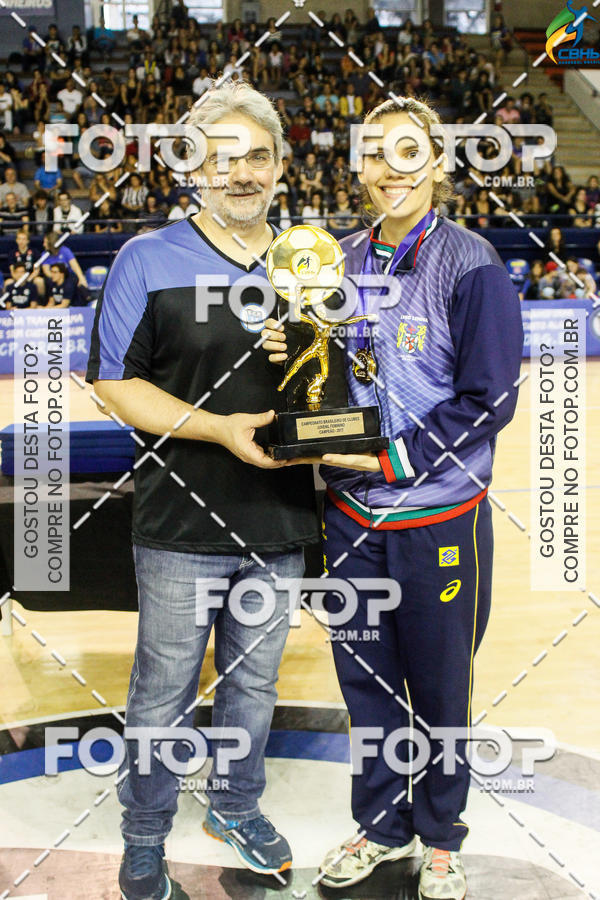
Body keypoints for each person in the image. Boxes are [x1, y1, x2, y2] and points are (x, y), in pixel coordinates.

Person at [262, 95, 523, 900]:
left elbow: (490, 397)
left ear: (437, 162)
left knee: (440, 692)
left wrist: (391, 457)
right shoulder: (330, 260)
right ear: (359, 166)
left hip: (438, 516)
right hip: (349, 519)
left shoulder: (473, 263)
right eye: (375, 153)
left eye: (408, 152)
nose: (390, 169)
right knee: (366, 688)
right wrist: (290, 345)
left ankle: (441, 840)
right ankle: (381, 827)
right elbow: (325, 380)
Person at [85, 80, 320, 900]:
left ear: (281, 166)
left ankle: (236, 806)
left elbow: (340, 387)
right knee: (163, 692)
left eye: (257, 156)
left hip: (282, 520)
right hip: (180, 523)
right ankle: (143, 835)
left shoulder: (309, 261)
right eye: (222, 159)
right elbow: (115, 386)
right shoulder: (145, 258)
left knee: (256, 686)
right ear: (194, 168)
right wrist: (219, 428)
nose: (242, 173)